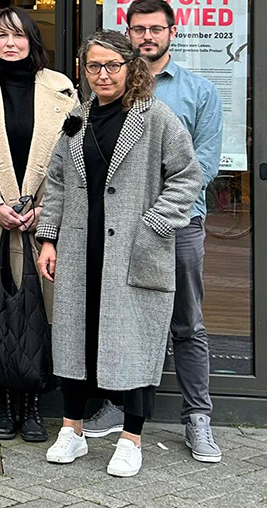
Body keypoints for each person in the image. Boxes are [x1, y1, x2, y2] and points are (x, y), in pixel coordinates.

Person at [37, 30, 201, 478]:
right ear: (83, 70)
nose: (103, 74)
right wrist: (48, 239)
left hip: (133, 250)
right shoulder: (78, 117)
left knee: (132, 344)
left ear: (130, 67)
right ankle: (71, 431)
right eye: (93, 66)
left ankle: (132, 438)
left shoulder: (155, 117)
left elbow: (187, 175)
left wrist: (154, 224)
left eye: (112, 65)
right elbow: (55, 182)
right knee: (75, 338)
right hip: (79, 247)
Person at [83, 0, 225, 464]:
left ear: (171, 32)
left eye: (156, 29)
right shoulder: (108, 91)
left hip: (177, 227)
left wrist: (154, 216)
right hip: (115, 232)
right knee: (116, 316)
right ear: (128, 34)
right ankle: (116, 405)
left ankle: (197, 418)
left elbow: (199, 166)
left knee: (187, 323)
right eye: (139, 29)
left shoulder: (198, 91)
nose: (147, 36)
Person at [0, 7, 78, 443]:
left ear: (32, 41)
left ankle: (35, 404)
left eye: (19, 36)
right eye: (3, 35)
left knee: (40, 315)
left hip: (43, 224)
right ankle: (2, 402)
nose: (10, 43)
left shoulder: (63, 89)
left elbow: (75, 161)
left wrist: (46, 211)